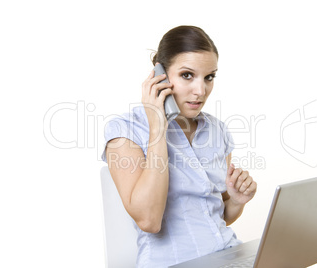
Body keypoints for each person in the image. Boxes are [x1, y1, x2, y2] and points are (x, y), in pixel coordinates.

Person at [102, 25, 257, 267]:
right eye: (187, 75)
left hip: (228, 255)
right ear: (159, 75)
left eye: (209, 77)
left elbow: (219, 217)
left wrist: (236, 200)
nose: (201, 91)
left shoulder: (217, 130)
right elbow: (149, 221)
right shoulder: (125, 131)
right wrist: (157, 126)